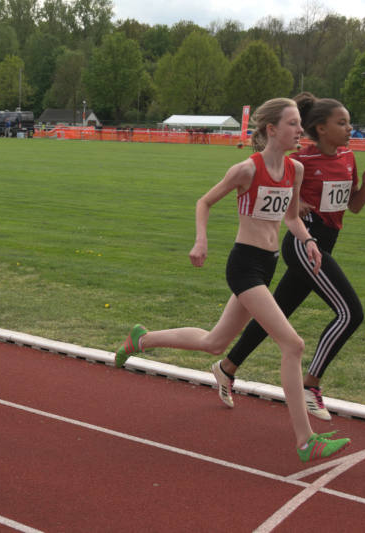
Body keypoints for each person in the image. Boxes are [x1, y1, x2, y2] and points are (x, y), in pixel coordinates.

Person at [115, 97, 351, 463]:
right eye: (292, 124)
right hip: (244, 266)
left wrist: (308, 241)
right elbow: (204, 202)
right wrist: (201, 239)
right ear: (272, 129)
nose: (299, 131)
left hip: (267, 264)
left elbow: (290, 218)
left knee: (215, 343)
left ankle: (140, 339)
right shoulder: (245, 169)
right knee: (293, 344)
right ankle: (306, 441)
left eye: (300, 124)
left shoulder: (295, 171)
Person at [210, 92, 365, 422]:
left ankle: (226, 368)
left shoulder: (348, 158)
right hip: (304, 246)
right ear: (319, 128)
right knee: (350, 312)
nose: (349, 129)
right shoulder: (305, 158)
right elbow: (276, 176)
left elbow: (354, 206)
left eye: (349, 122)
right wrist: (296, 202)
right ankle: (310, 384)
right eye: (341, 123)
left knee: (277, 313)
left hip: (325, 246)